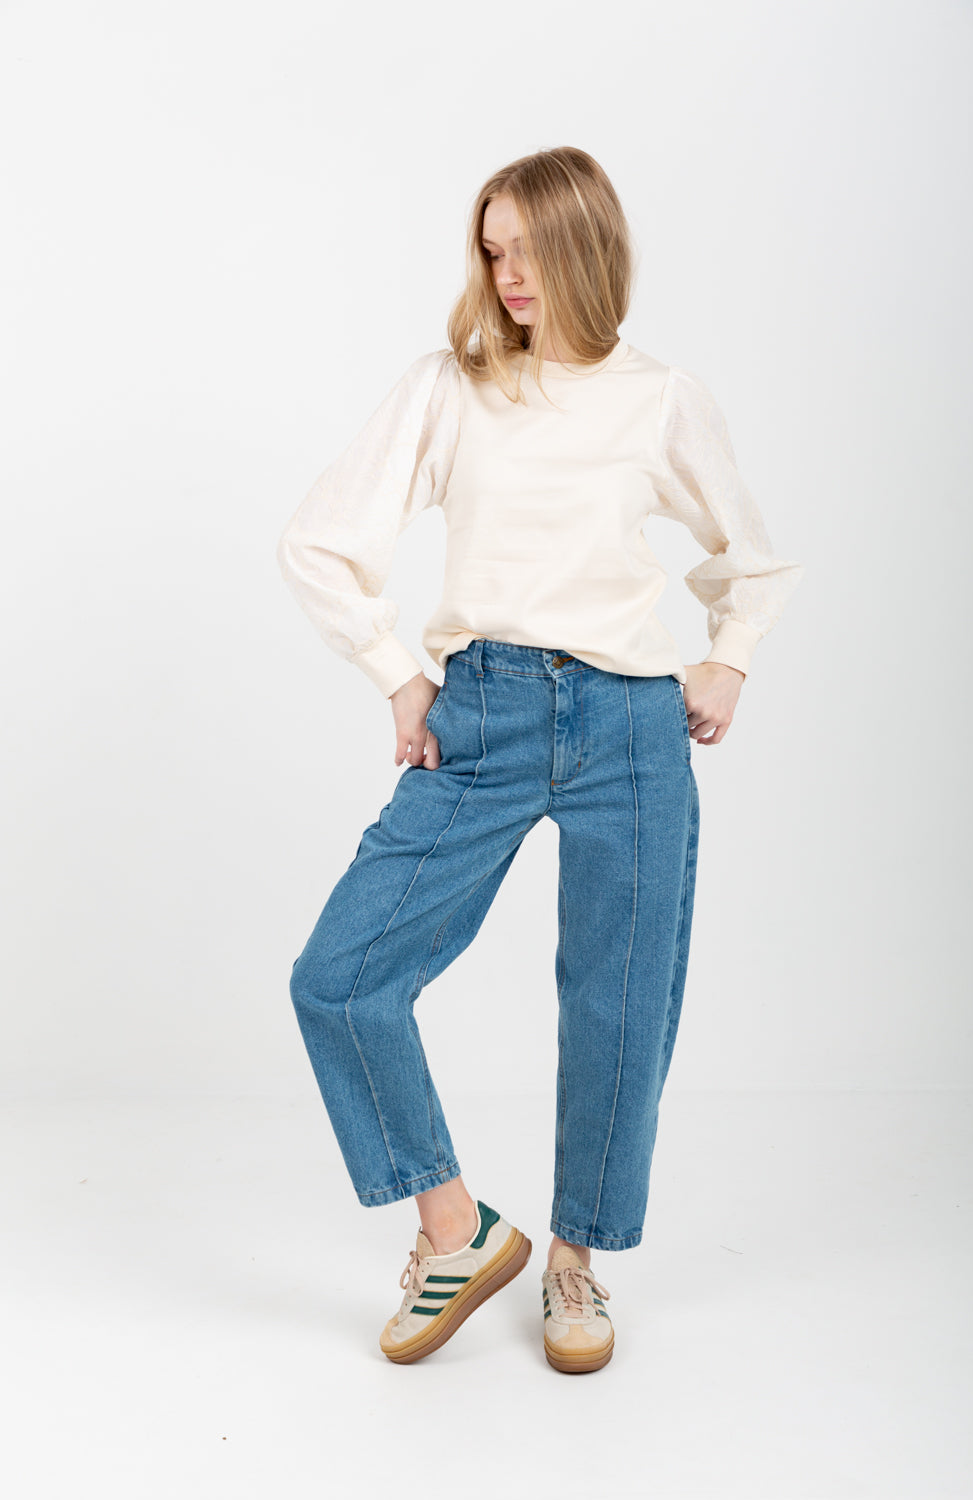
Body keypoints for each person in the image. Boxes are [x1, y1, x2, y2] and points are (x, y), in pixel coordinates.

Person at [276, 145, 803, 1374]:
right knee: (339, 978)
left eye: (526, 247)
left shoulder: (659, 397)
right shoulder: (447, 388)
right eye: (491, 250)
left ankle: (575, 1263)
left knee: (619, 1003)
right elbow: (320, 542)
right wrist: (399, 673)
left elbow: (751, 554)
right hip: (484, 712)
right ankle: (455, 1231)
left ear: (584, 245)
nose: (507, 274)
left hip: (630, 722)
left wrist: (728, 655)